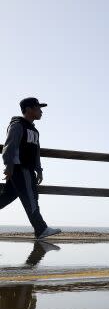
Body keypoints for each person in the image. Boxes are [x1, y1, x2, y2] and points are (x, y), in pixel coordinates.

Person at [1, 98, 61, 239]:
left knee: (6, 197)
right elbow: (9, 147)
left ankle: (40, 229)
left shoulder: (34, 130)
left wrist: (39, 170)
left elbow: (36, 152)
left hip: (28, 169)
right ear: (28, 109)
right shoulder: (17, 126)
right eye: (38, 108)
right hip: (20, 169)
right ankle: (41, 229)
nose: (41, 111)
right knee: (31, 198)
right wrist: (9, 166)